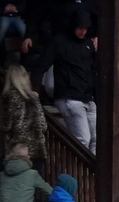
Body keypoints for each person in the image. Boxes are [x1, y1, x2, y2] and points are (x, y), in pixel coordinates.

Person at [33, 9, 98, 153]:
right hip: (69, 96)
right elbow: (41, 65)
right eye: (80, 28)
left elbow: (93, 69)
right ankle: (81, 173)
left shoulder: (88, 43)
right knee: (83, 139)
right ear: (73, 26)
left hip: (87, 96)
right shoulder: (59, 42)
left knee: (96, 139)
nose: (83, 31)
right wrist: (35, 89)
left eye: (86, 29)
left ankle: (93, 174)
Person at [0, 64, 48, 174]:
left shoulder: (8, 97)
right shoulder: (33, 98)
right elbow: (43, 126)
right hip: (37, 150)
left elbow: (6, 125)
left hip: (18, 150)